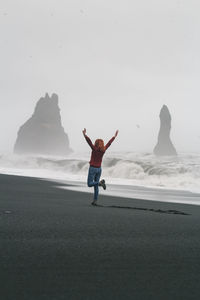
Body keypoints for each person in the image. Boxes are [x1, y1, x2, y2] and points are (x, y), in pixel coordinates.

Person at [82, 128, 119, 205]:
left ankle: (100, 183)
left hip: (92, 168)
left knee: (90, 184)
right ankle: (95, 201)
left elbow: (89, 142)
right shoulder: (104, 150)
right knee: (95, 186)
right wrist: (114, 136)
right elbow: (109, 143)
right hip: (99, 169)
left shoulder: (94, 149)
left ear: (96, 143)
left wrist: (85, 135)